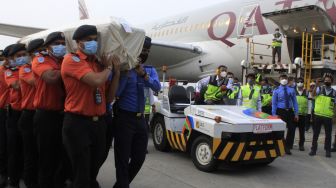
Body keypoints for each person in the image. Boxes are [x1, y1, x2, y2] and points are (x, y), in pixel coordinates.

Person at [61, 25, 121, 188]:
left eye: (95, 40)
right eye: (88, 40)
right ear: (78, 43)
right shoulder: (72, 60)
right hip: (77, 123)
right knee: (82, 173)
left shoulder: (98, 64)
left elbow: (108, 98)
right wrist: (109, 68)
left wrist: (116, 74)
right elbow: (96, 81)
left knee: (94, 168)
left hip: (98, 123)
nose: (93, 43)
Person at [114, 37, 161, 188]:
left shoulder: (149, 70)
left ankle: (121, 185)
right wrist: (124, 75)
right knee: (122, 158)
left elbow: (157, 87)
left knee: (139, 158)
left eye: (147, 51)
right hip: (124, 118)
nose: (145, 54)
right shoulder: (124, 70)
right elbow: (116, 93)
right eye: (142, 50)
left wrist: (143, 75)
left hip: (141, 120)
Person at [31, 32, 68, 188]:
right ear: (47, 47)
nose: (61, 46)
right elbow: (51, 78)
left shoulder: (64, 61)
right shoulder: (40, 60)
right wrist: (70, 69)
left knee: (62, 156)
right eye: (57, 43)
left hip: (63, 115)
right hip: (46, 116)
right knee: (46, 157)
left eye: (63, 43)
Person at [18, 39, 44, 188]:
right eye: (40, 51)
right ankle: (30, 182)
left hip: (39, 114)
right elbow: (38, 82)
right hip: (28, 115)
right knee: (30, 153)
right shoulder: (26, 69)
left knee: (41, 152)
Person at [5, 43, 26, 188]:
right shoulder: (10, 71)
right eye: (19, 56)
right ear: (12, 58)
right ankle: (13, 182)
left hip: (28, 113)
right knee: (14, 149)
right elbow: (17, 86)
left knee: (27, 149)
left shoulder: (28, 69)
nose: (23, 58)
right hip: (15, 114)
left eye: (25, 55)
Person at [309, 74, 336, 158]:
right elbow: (313, 95)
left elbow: (335, 105)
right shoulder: (319, 88)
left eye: (329, 80)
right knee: (315, 134)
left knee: (328, 135)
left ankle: (328, 151)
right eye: (326, 80)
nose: (327, 81)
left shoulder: (334, 92)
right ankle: (313, 150)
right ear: (324, 81)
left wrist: (334, 116)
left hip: (328, 116)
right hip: (318, 115)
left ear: (332, 82)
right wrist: (316, 84)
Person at [272, 74, 299, 155]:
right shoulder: (276, 90)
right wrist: (274, 114)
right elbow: (274, 103)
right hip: (280, 111)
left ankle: (287, 147)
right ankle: (280, 147)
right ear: (279, 80)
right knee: (280, 131)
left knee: (292, 129)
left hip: (290, 111)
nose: (284, 79)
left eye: (285, 78)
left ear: (287, 80)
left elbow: (295, 102)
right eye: (282, 78)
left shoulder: (292, 90)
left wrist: (296, 113)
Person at [0, 47, 11, 188]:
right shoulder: (4, 71)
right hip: (3, 109)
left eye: (3, 58)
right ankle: (3, 173)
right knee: (3, 144)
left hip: (13, 109)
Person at [295, 78, 308, 151]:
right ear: (296, 83)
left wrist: (309, 114)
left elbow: (310, 101)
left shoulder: (306, 92)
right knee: (292, 130)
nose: (300, 83)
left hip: (303, 114)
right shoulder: (293, 91)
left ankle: (301, 145)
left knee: (302, 131)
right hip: (294, 114)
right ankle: (289, 145)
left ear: (303, 83)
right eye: (298, 82)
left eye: (301, 82)